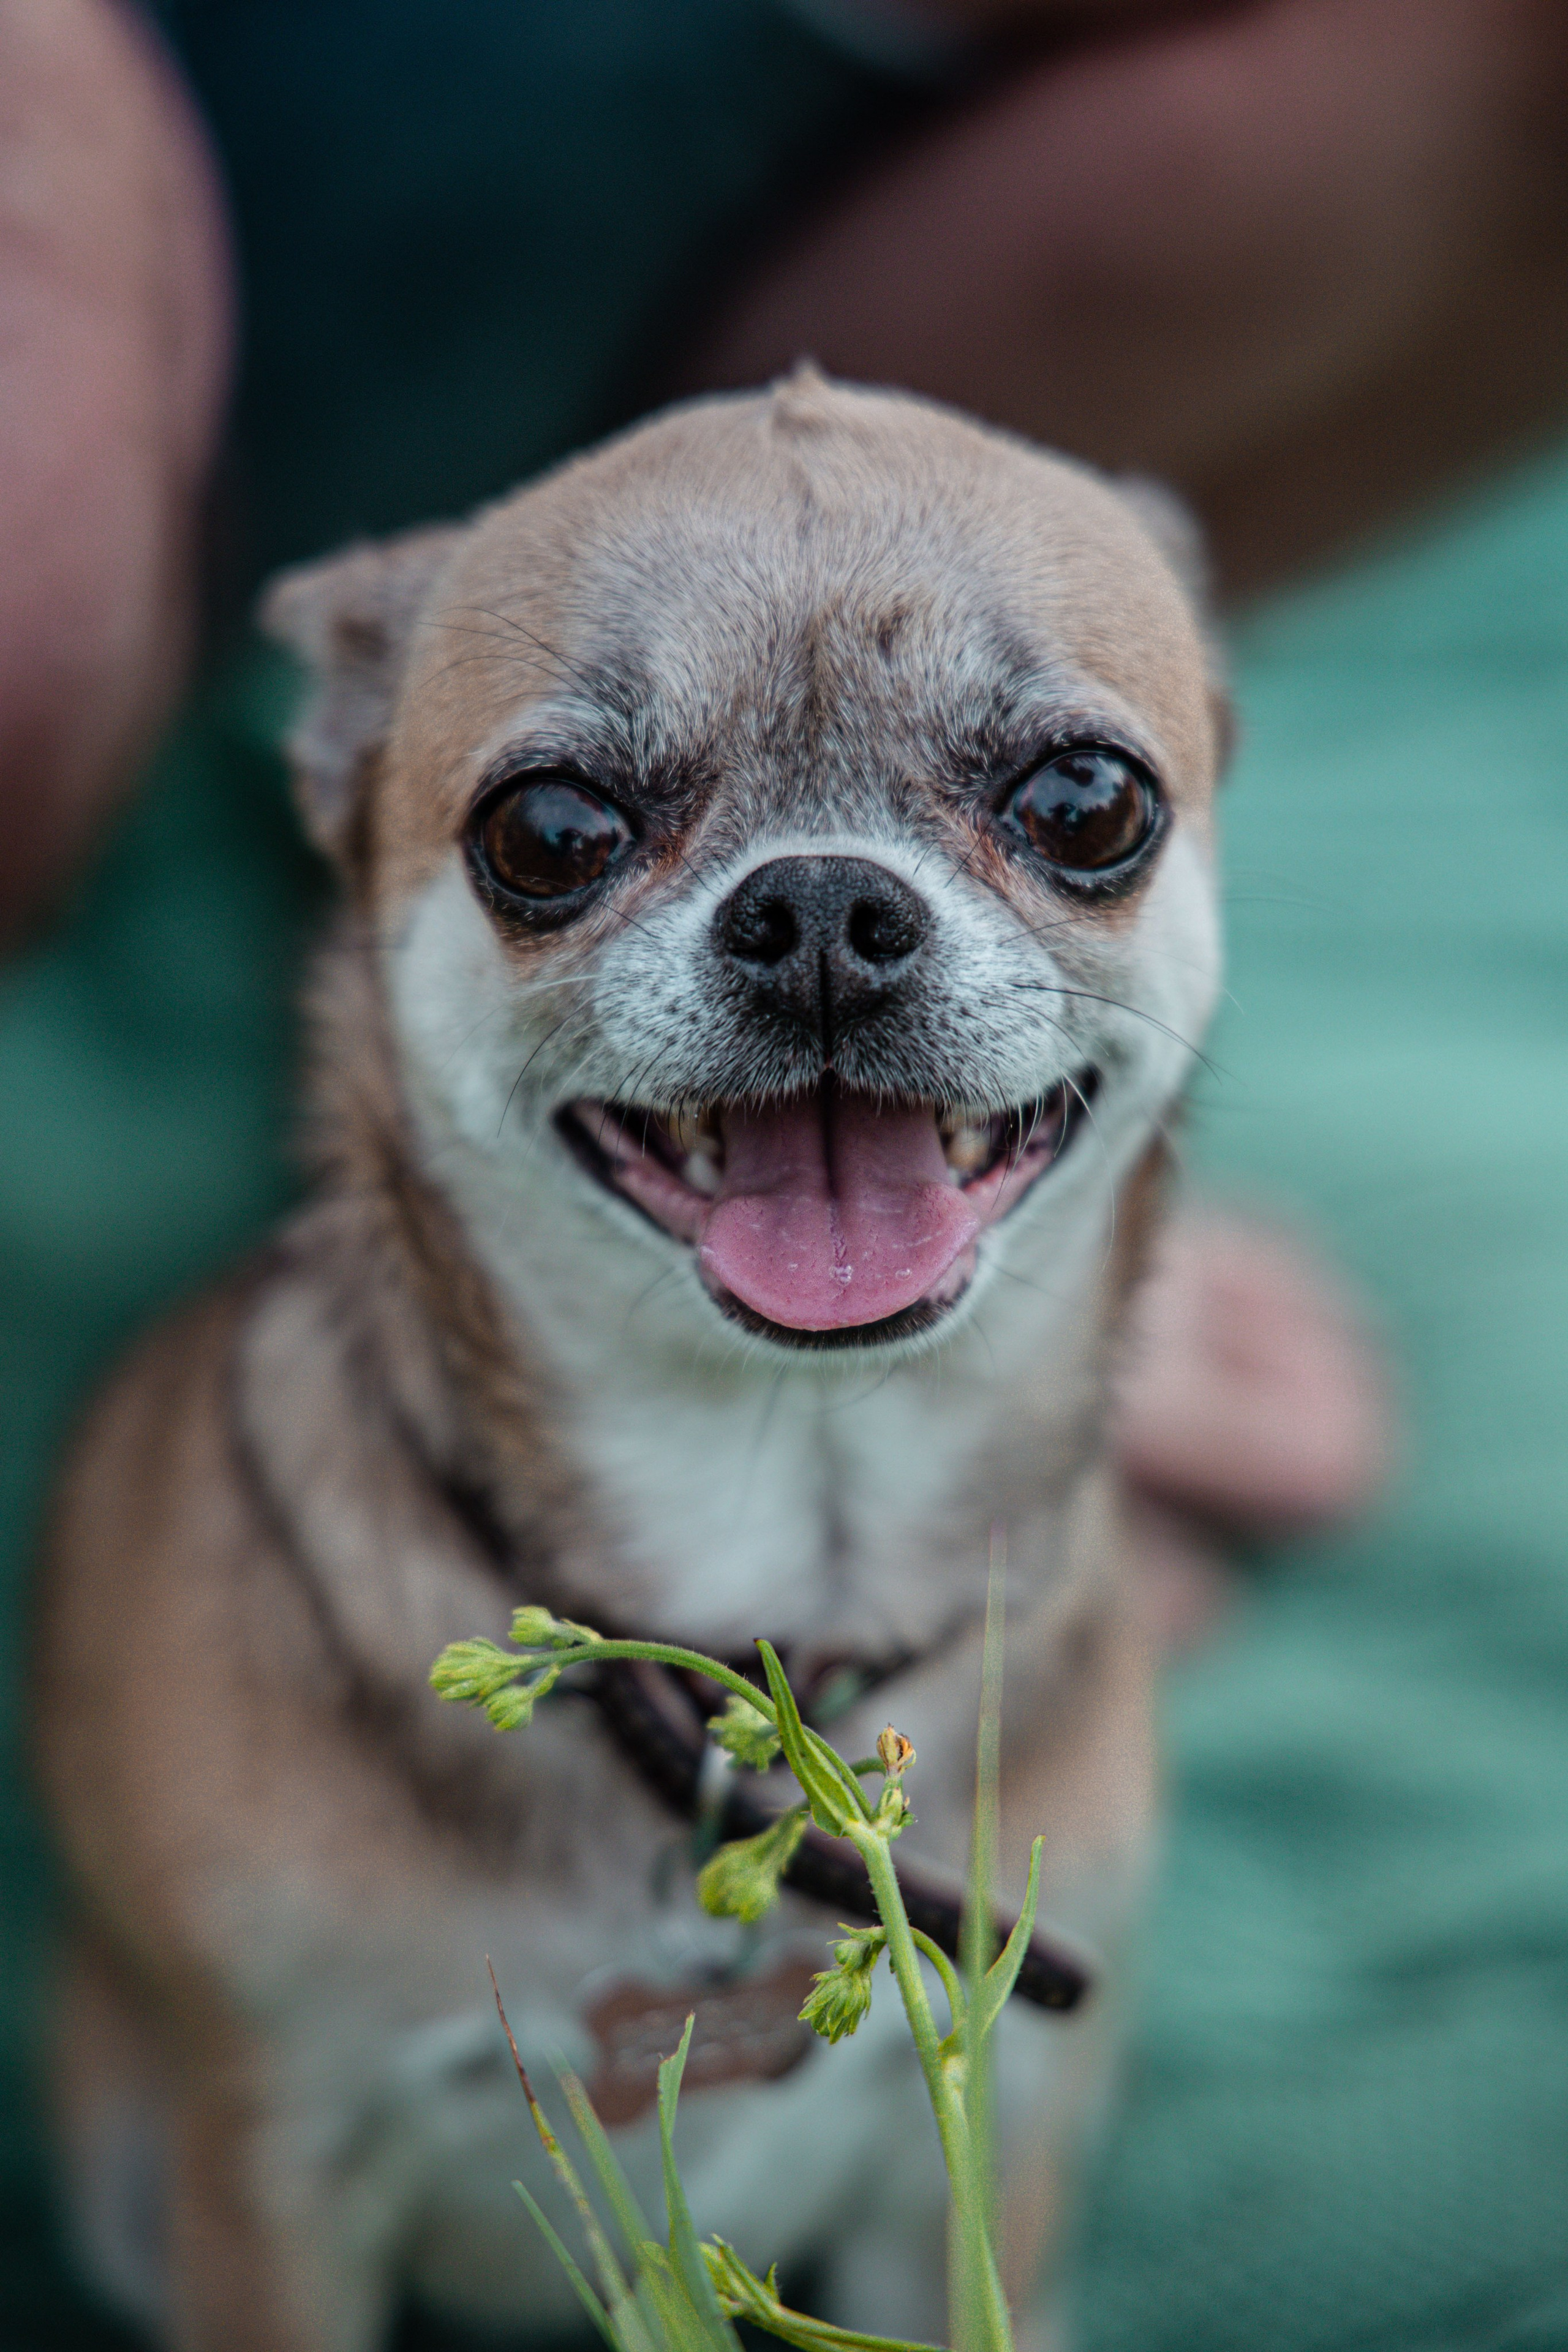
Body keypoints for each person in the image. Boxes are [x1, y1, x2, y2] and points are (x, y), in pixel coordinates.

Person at [0, 4, 1564, 2346]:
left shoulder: (1075, 1728)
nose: (828, 927)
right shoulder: (236, 1717)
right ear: (350, 769)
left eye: (1066, 814)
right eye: (566, 837)